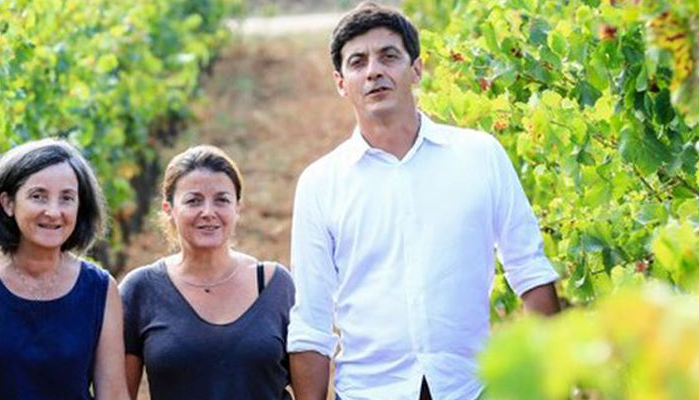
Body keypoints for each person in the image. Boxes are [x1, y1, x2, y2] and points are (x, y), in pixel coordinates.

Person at [286, 2, 564, 400]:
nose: (374, 71)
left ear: (416, 69)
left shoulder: (480, 156)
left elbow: (530, 271)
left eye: (389, 56)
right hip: (368, 392)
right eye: (357, 62)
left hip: (471, 387)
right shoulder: (320, 184)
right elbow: (311, 319)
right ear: (340, 82)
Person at [0, 138, 129, 400]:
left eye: (67, 198)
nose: (53, 211)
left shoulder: (101, 289)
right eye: (38, 196)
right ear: (7, 203)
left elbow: (114, 395)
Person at [121, 145, 295, 400]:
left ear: (238, 207)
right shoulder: (140, 289)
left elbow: (309, 387)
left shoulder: (276, 285)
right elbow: (117, 393)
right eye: (193, 201)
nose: (208, 212)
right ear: (169, 210)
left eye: (222, 200)